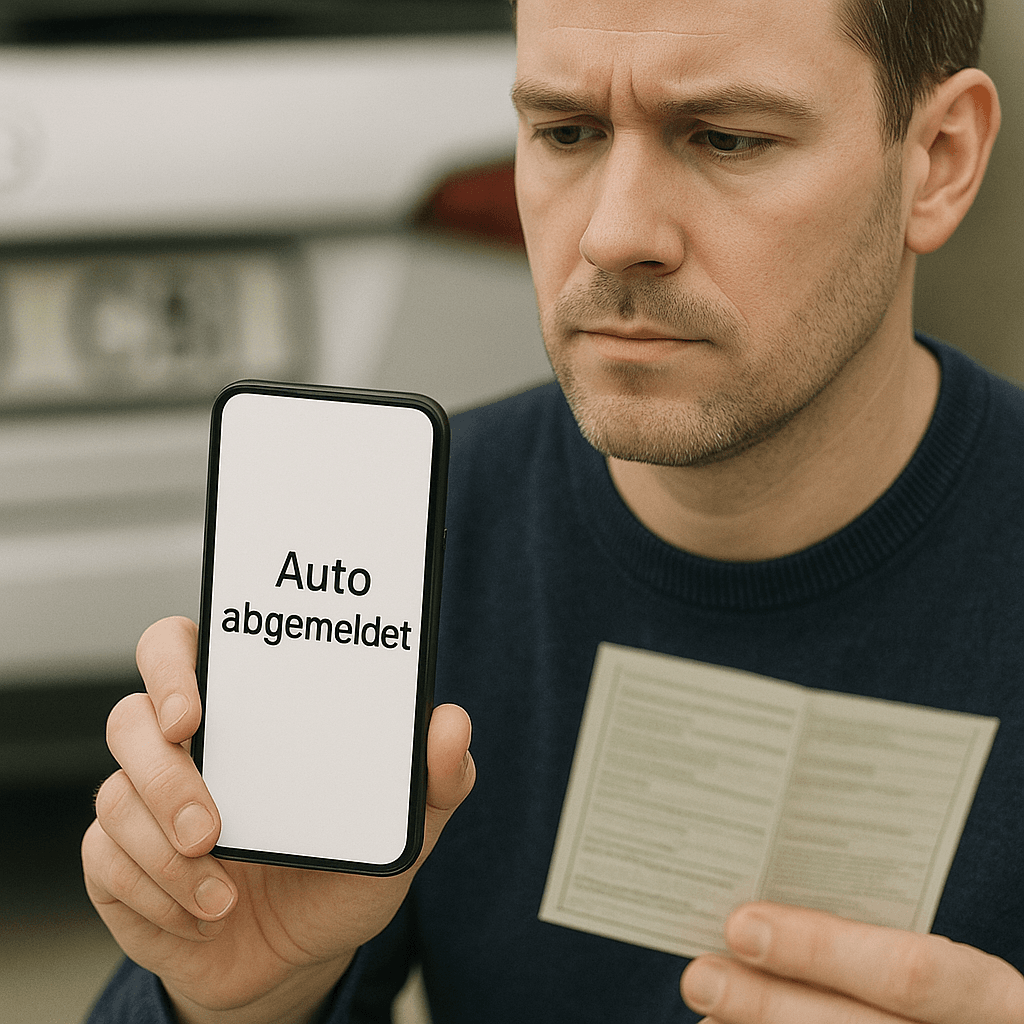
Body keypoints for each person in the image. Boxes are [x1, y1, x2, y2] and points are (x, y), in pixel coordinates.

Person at [82, 0, 1024, 1021]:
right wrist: (240, 1000)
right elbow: (235, 967)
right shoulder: (411, 539)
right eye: (565, 132)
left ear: (936, 158)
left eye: (726, 138)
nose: (615, 234)